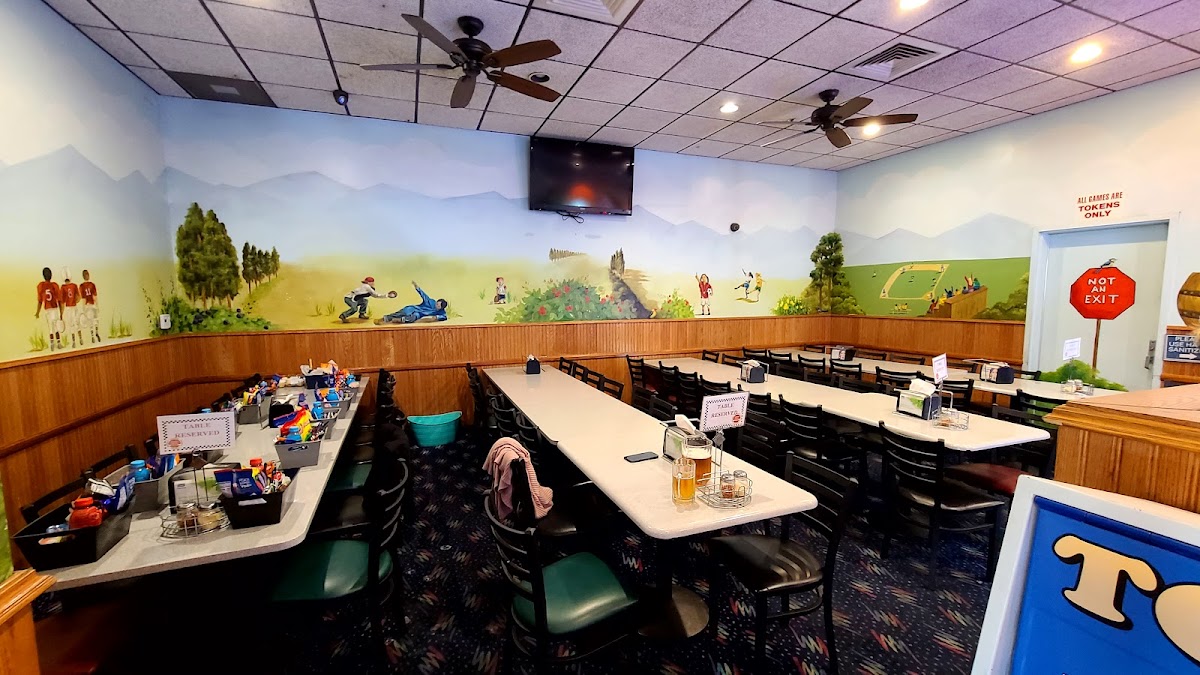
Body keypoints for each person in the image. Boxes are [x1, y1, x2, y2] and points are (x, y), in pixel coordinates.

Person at [377, 281, 448, 324]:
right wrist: (416, 287)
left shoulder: (442, 312)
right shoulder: (431, 301)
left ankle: (399, 320)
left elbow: (443, 317)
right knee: (404, 312)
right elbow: (423, 294)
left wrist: (436, 317)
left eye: (438, 306)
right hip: (414, 308)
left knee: (413, 317)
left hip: (419, 314)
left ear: (441, 308)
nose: (436, 305)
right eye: (437, 303)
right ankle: (384, 319)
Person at [34, 267, 62, 351]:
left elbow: (40, 301)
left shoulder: (41, 286)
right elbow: (59, 300)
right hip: (54, 308)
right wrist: (61, 312)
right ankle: (58, 343)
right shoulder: (54, 285)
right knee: (56, 326)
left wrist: (37, 312)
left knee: (50, 327)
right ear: (51, 275)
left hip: (47, 309)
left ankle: (52, 344)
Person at [59, 272, 82, 348]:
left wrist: (61, 313)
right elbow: (79, 297)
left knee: (71, 324)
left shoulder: (63, 287)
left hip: (69, 308)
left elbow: (62, 302)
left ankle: (74, 341)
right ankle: (80, 338)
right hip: (74, 307)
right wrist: (75, 301)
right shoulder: (74, 285)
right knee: (77, 323)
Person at [80, 269, 100, 344]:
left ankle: (93, 336)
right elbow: (94, 296)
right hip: (92, 304)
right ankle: (96, 332)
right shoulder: (92, 284)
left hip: (87, 305)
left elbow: (84, 298)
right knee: (95, 319)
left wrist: (83, 308)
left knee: (91, 321)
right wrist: (97, 305)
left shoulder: (82, 286)